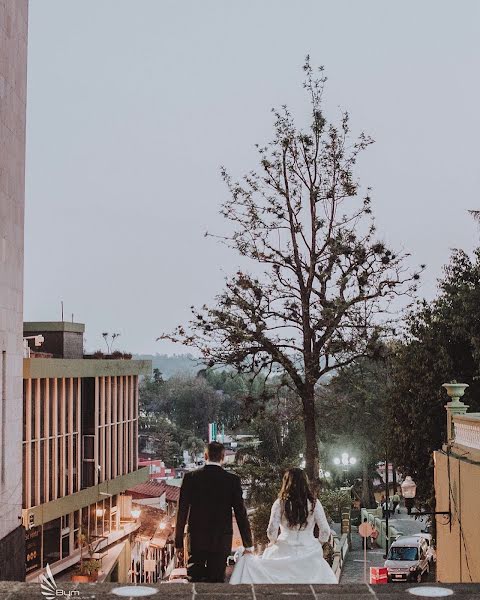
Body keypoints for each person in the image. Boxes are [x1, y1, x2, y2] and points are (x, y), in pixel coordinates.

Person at [230, 468, 337, 584]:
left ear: (286, 483)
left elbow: (272, 530)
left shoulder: (280, 503)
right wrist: (318, 543)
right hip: (309, 549)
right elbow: (325, 531)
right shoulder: (314, 503)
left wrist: (273, 541)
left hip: (283, 548)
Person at [175, 441, 253, 583]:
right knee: (216, 581)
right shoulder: (232, 481)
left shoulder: (190, 478)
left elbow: (182, 512)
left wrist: (178, 543)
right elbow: (241, 514)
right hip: (221, 540)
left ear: (205, 456)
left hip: (197, 539)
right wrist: (248, 544)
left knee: (195, 580)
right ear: (223, 457)